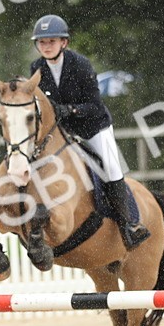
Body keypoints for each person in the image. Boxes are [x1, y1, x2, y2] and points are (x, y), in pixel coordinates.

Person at [28, 14, 150, 250]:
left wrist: (70, 110)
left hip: (92, 127)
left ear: (64, 42)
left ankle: (130, 225)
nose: (46, 46)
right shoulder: (37, 68)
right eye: (42, 42)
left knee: (112, 168)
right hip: (61, 132)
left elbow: (94, 105)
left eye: (51, 41)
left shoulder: (81, 65)